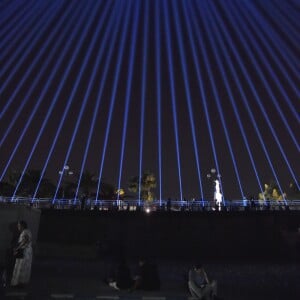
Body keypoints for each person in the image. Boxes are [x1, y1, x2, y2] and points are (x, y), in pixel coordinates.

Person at [10, 220, 33, 287]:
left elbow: (24, 241)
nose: (18, 227)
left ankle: (18, 283)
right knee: (25, 267)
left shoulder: (25, 232)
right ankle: (22, 282)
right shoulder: (28, 231)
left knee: (21, 266)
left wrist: (17, 248)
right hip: (27, 252)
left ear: (22, 226)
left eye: (19, 226)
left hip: (24, 252)